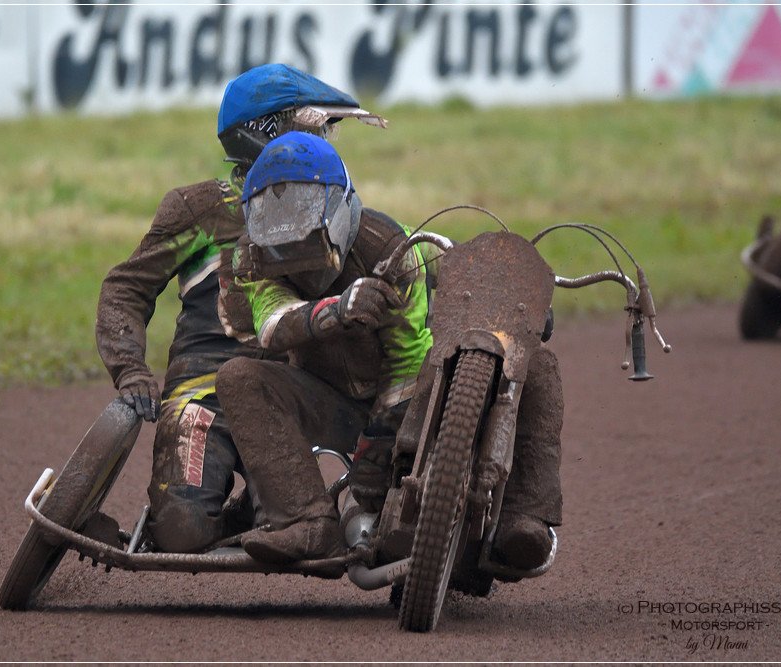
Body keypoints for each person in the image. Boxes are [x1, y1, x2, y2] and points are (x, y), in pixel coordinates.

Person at [215, 133, 564, 572]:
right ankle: (307, 521)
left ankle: (525, 516)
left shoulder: (391, 247)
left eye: (303, 224)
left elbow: (408, 356)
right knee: (239, 375)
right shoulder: (249, 256)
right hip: (328, 397)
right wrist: (337, 310)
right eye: (276, 229)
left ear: (339, 210)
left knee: (540, 363)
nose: (293, 251)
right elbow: (271, 324)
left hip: (414, 395)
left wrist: (380, 441)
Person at [94, 64, 386, 553]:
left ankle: (260, 509)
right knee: (181, 534)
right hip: (201, 392)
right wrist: (130, 372)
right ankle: (238, 516)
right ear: (267, 133)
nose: (326, 141)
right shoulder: (200, 209)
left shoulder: (332, 204)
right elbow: (125, 287)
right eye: (316, 127)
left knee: (328, 512)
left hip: (291, 393)